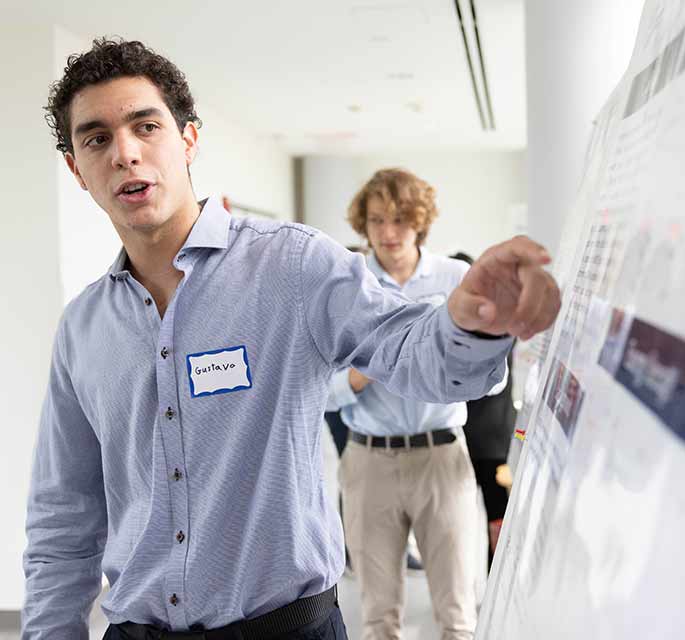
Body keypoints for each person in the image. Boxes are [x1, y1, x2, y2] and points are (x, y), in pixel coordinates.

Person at [22, 38, 560, 639]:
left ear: (188, 140)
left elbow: (412, 354)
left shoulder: (291, 266)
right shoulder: (83, 328)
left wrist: (471, 322)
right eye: (96, 139)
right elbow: (62, 518)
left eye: (145, 127)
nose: (125, 153)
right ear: (76, 168)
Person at [329, 170, 498, 640]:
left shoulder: (457, 279)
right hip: (368, 461)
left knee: (457, 614)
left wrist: (443, 361)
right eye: (377, 220)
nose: (388, 233)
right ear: (363, 224)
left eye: (401, 220)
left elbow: (489, 379)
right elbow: (320, 388)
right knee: (378, 618)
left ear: (420, 223)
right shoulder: (345, 283)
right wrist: (371, 368)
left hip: (441, 457)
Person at [450, 252, 516, 571]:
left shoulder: (461, 323)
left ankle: (489, 588)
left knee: (488, 520)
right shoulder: (502, 318)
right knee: (494, 519)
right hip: (489, 441)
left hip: (474, 441)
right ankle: (492, 590)